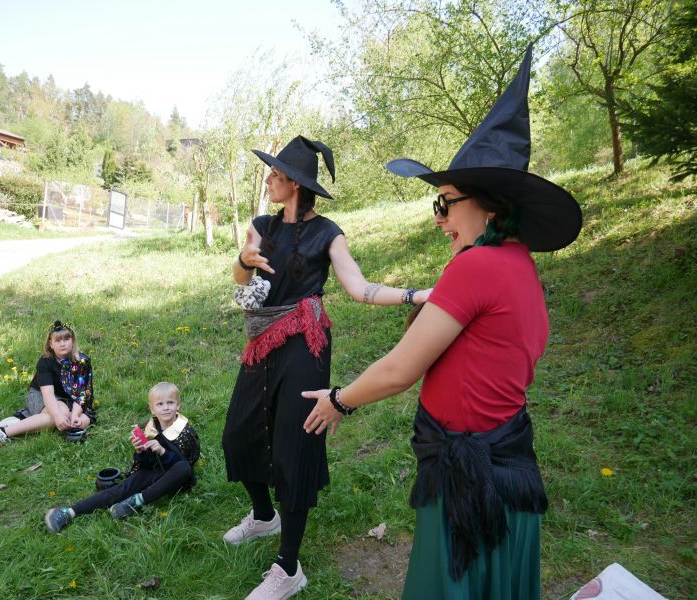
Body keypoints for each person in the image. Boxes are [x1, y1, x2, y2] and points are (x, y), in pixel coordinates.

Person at [302, 46, 582, 599]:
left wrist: (339, 400)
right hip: (505, 470)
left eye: (446, 203)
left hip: (472, 482)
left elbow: (400, 371)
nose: (439, 218)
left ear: (490, 207)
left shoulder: (476, 267)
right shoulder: (519, 264)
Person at [222, 135, 432, 600]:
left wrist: (416, 295)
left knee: (295, 447)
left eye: (276, 174)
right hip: (263, 339)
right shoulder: (261, 226)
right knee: (239, 432)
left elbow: (359, 288)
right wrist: (241, 261)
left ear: (296, 183)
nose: (269, 180)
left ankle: (288, 568)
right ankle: (264, 517)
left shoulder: (329, 233)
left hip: (306, 344)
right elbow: (241, 279)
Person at [44, 382, 200, 532]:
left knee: (183, 467)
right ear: (152, 408)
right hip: (155, 471)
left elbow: (185, 466)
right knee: (123, 488)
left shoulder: (184, 431)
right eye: (160, 404)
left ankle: (138, 500)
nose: (166, 408)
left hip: (175, 478)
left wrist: (162, 451)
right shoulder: (150, 427)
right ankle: (69, 512)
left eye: (170, 403)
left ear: (178, 405)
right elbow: (145, 464)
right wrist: (141, 451)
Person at [0, 321, 95, 447]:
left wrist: (75, 415)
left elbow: (82, 394)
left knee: (81, 422)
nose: (62, 344)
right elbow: (48, 394)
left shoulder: (82, 361)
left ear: (73, 341)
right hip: (41, 395)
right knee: (61, 413)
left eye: (66, 339)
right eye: (58, 340)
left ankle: (22, 422)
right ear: (51, 344)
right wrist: (57, 415)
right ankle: (3, 432)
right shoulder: (45, 361)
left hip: (73, 400)